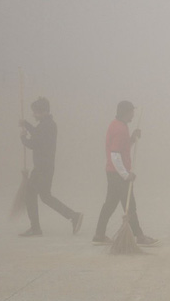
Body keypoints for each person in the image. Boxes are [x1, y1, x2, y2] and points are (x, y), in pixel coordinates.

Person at [93, 101, 158, 246]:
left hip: (112, 172)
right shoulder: (120, 129)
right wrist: (125, 174)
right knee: (130, 206)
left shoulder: (117, 125)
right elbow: (114, 154)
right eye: (131, 112)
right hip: (118, 174)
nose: (133, 115)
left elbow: (122, 148)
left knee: (109, 204)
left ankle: (99, 235)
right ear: (125, 112)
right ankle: (140, 236)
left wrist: (132, 139)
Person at [18, 97, 83, 237]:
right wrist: (27, 125)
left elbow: (34, 143)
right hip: (46, 167)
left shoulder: (45, 126)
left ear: (45, 112)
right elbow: (37, 133)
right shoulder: (48, 124)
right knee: (46, 197)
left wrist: (23, 138)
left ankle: (36, 228)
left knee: (31, 194)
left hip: (42, 168)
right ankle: (73, 216)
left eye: (36, 112)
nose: (34, 115)